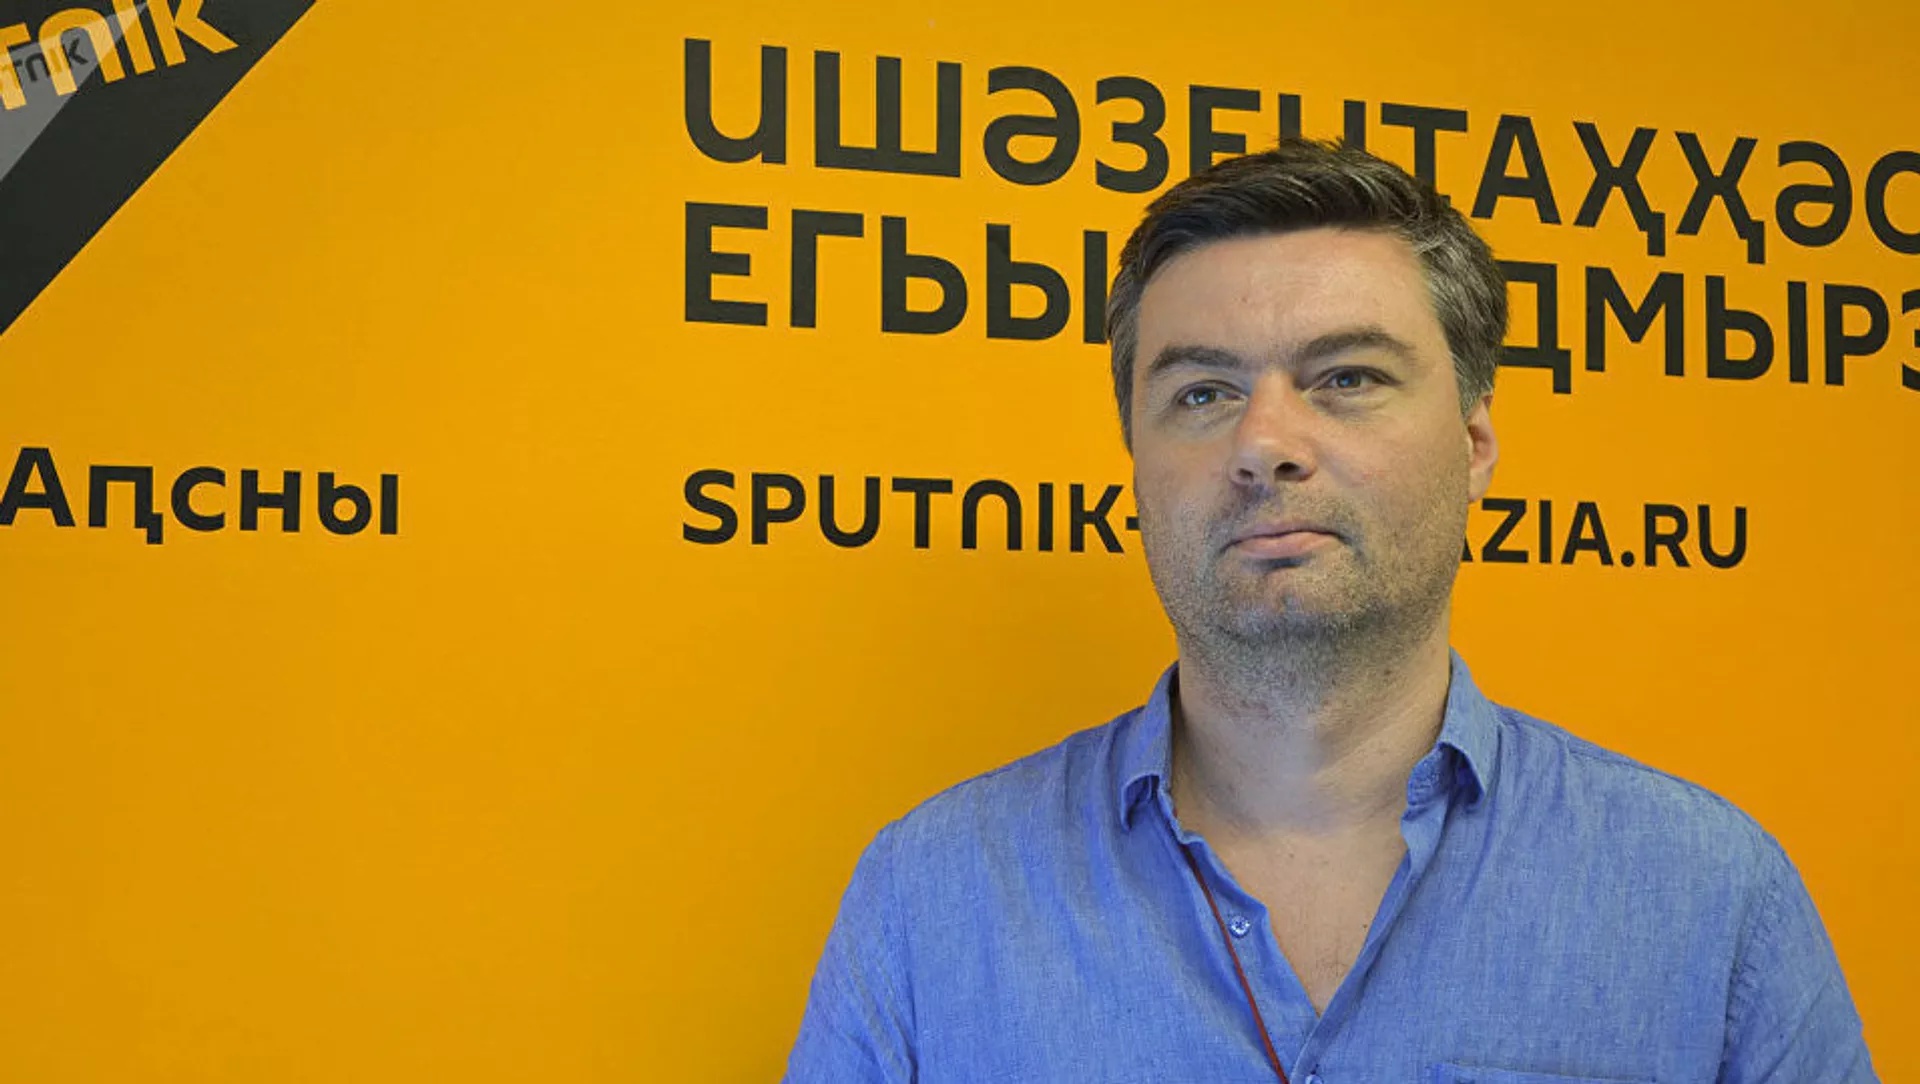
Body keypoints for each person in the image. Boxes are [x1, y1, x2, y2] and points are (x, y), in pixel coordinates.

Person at [782, 139, 1876, 1083]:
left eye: (1347, 377)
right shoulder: (929, 900)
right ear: (1136, 465)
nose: (1265, 444)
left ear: (1475, 443)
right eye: (1202, 393)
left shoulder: (1713, 900)